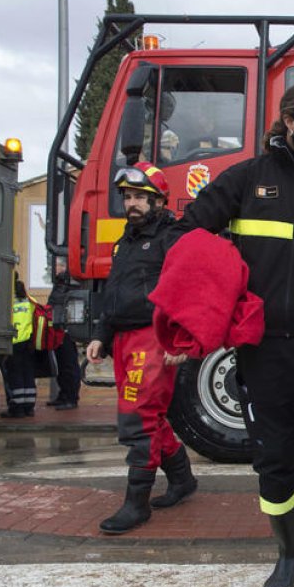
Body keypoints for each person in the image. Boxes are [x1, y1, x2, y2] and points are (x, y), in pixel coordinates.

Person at [176, 80, 294, 587]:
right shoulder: (248, 179)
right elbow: (189, 235)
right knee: (274, 458)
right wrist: (218, 299)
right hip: (262, 347)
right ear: (290, 121)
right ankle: (288, 555)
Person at [86, 162, 199, 535]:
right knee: (148, 417)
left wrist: (183, 340)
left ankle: (137, 504)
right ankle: (182, 480)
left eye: (140, 197)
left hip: (153, 338)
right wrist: (101, 334)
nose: (131, 204)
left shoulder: (171, 238)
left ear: (159, 201)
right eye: (128, 197)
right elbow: (113, 293)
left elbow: (188, 291)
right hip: (123, 340)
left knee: (137, 419)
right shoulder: (126, 242)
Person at [46, 256, 81, 410]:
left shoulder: (69, 282)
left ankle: (71, 397)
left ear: (63, 267)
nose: (53, 269)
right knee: (61, 363)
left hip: (65, 328)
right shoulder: (60, 282)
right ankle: (63, 395)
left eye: (56, 266)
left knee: (68, 364)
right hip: (57, 326)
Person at [0, 276, 37, 418]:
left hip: (12, 341)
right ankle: (29, 407)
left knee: (15, 376)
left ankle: (17, 408)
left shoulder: (6, 300)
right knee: (28, 374)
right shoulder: (29, 301)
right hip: (28, 342)